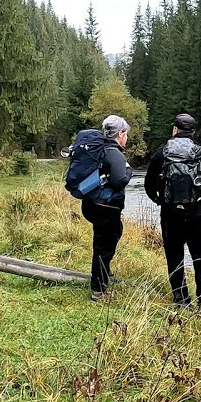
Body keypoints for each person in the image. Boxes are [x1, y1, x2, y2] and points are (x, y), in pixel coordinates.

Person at [144, 113, 201, 317]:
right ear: (193, 132)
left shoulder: (162, 153)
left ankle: (181, 301)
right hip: (196, 215)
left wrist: (161, 201)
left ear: (175, 130)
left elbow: (149, 186)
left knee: (174, 257)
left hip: (170, 215)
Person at [67, 115, 132, 301]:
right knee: (104, 247)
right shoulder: (114, 153)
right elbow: (119, 181)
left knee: (113, 234)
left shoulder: (99, 149)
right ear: (120, 134)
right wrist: (129, 171)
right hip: (107, 207)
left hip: (91, 204)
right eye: (125, 134)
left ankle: (104, 274)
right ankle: (99, 289)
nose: (126, 138)